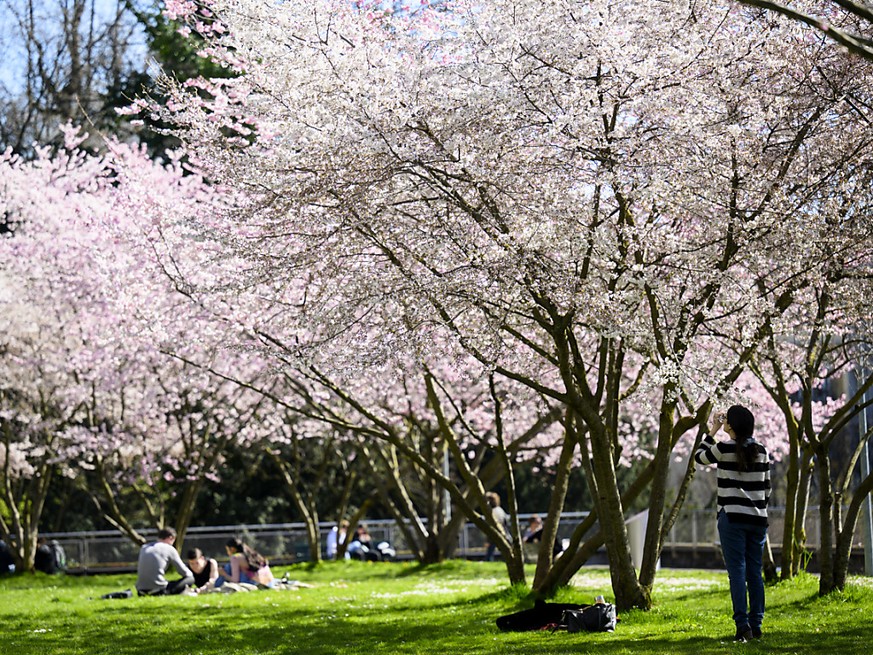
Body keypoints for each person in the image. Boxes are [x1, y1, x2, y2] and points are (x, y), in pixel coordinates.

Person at [694, 405, 771, 642]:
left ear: (732, 425)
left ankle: (742, 625)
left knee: (736, 571)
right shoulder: (762, 450)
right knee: (754, 572)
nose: (724, 421)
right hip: (757, 518)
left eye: (726, 419)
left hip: (732, 518)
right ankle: (756, 624)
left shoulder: (723, 448)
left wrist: (712, 430)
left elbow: (699, 458)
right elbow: (767, 488)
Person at [135, 527, 194, 596]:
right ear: (171, 538)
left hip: (141, 590)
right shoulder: (169, 548)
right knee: (190, 578)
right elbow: (184, 572)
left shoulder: (144, 547)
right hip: (158, 590)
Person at [484, 492, 510, 562]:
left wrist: (488, 539)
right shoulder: (500, 510)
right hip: (503, 532)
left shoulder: (493, 512)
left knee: (491, 551)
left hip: (496, 533)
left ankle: (489, 561)